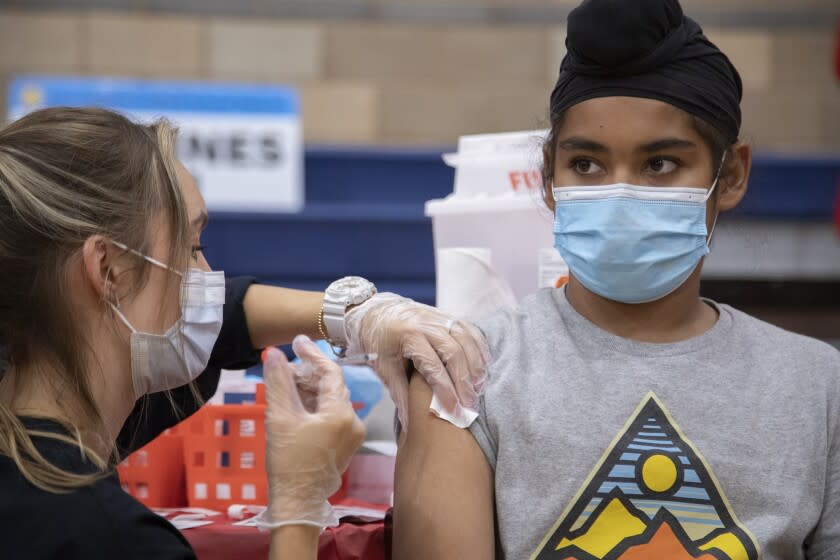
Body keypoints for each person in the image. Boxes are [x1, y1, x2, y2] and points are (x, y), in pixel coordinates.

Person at [394, 1, 840, 559]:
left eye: (659, 164)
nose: (620, 192)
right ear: (548, 178)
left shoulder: (818, 386)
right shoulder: (466, 369)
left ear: (730, 175)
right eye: (586, 164)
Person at [0, 107, 486, 559]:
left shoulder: (31, 428)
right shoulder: (101, 534)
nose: (208, 276)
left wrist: (355, 315)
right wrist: (298, 506)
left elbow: (230, 316)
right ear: (107, 270)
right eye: (193, 247)